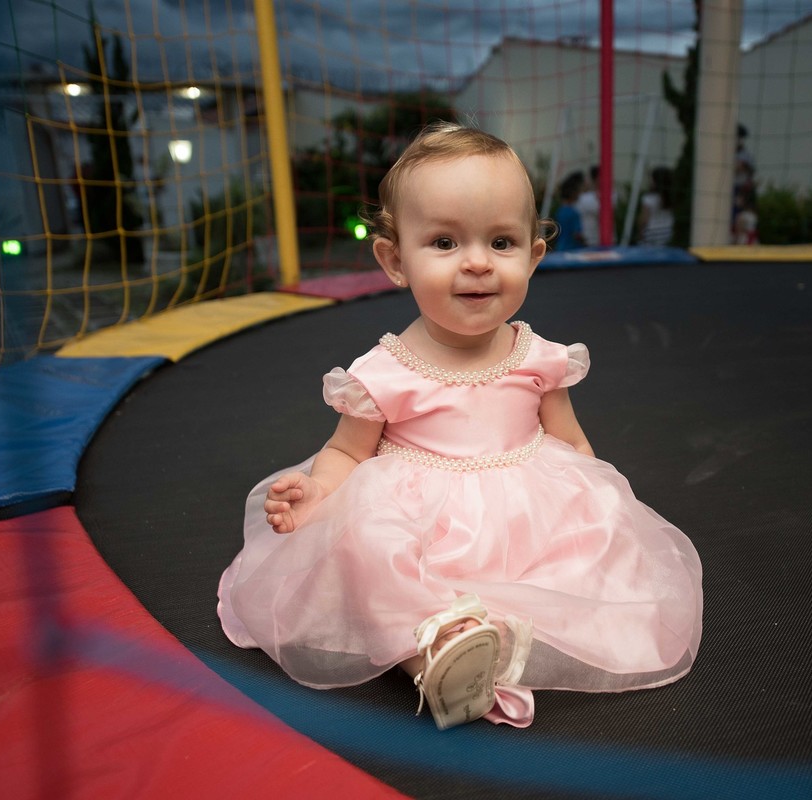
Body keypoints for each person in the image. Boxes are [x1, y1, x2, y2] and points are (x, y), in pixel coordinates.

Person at [217, 122, 703, 731]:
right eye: (445, 243)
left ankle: (496, 635)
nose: (476, 263)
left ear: (533, 255)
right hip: (420, 517)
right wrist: (318, 492)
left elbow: (570, 442)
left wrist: (599, 497)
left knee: (595, 528)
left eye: (501, 242)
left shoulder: (539, 357)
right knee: (371, 544)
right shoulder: (384, 371)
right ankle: (438, 652)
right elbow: (346, 453)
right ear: (395, 261)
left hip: (524, 511)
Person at [637, 166, 675, 246]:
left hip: (652, 233)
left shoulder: (649, 198)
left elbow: (644, 219)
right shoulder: (672, 197)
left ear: (655, 181)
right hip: (668, 232)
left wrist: (640, 233)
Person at [551, 170, 585, 251]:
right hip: (573, 250)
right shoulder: (574, 213)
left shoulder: (559, 212)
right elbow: (577, 234)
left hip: (560, 249)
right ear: (573, 193)